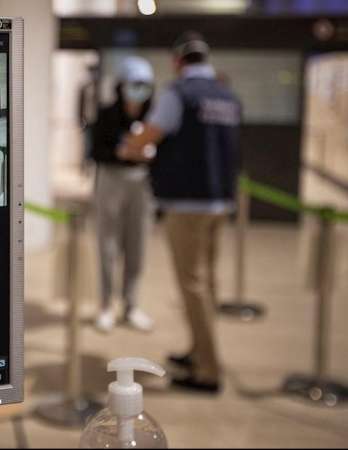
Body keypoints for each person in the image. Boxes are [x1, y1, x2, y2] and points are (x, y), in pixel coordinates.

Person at [118, 31, 242, 394]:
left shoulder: (180, 94)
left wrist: (130, 147)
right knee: (207, 283)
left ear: (177, 61)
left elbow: (146, 139)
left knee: (193, 285)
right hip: (221, 202)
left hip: (188, 205)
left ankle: (208, 370)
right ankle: (197, 350)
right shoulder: (227, 95)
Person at [91, 56, 156, 333]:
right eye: (133, 84)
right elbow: (95, 151)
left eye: (144, 84)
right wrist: (120, 152)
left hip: (143, 183)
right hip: (111, 180)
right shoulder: (107, 114)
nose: (138, 90)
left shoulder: (153, 117)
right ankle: (106, 304)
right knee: (108, 244)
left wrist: (146, 155)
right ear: (121, 85)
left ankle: (131, 305)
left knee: (137, 244)